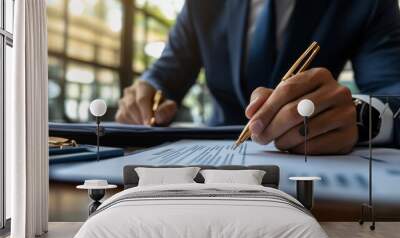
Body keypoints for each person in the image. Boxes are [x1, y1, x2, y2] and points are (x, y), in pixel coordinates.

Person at [116, 0, 400, 154]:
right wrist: (148, 89)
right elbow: (166, 74)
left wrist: (360, 117)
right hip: (212, 156)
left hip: (309, 158)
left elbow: (394, 91)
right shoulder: (201, 5)